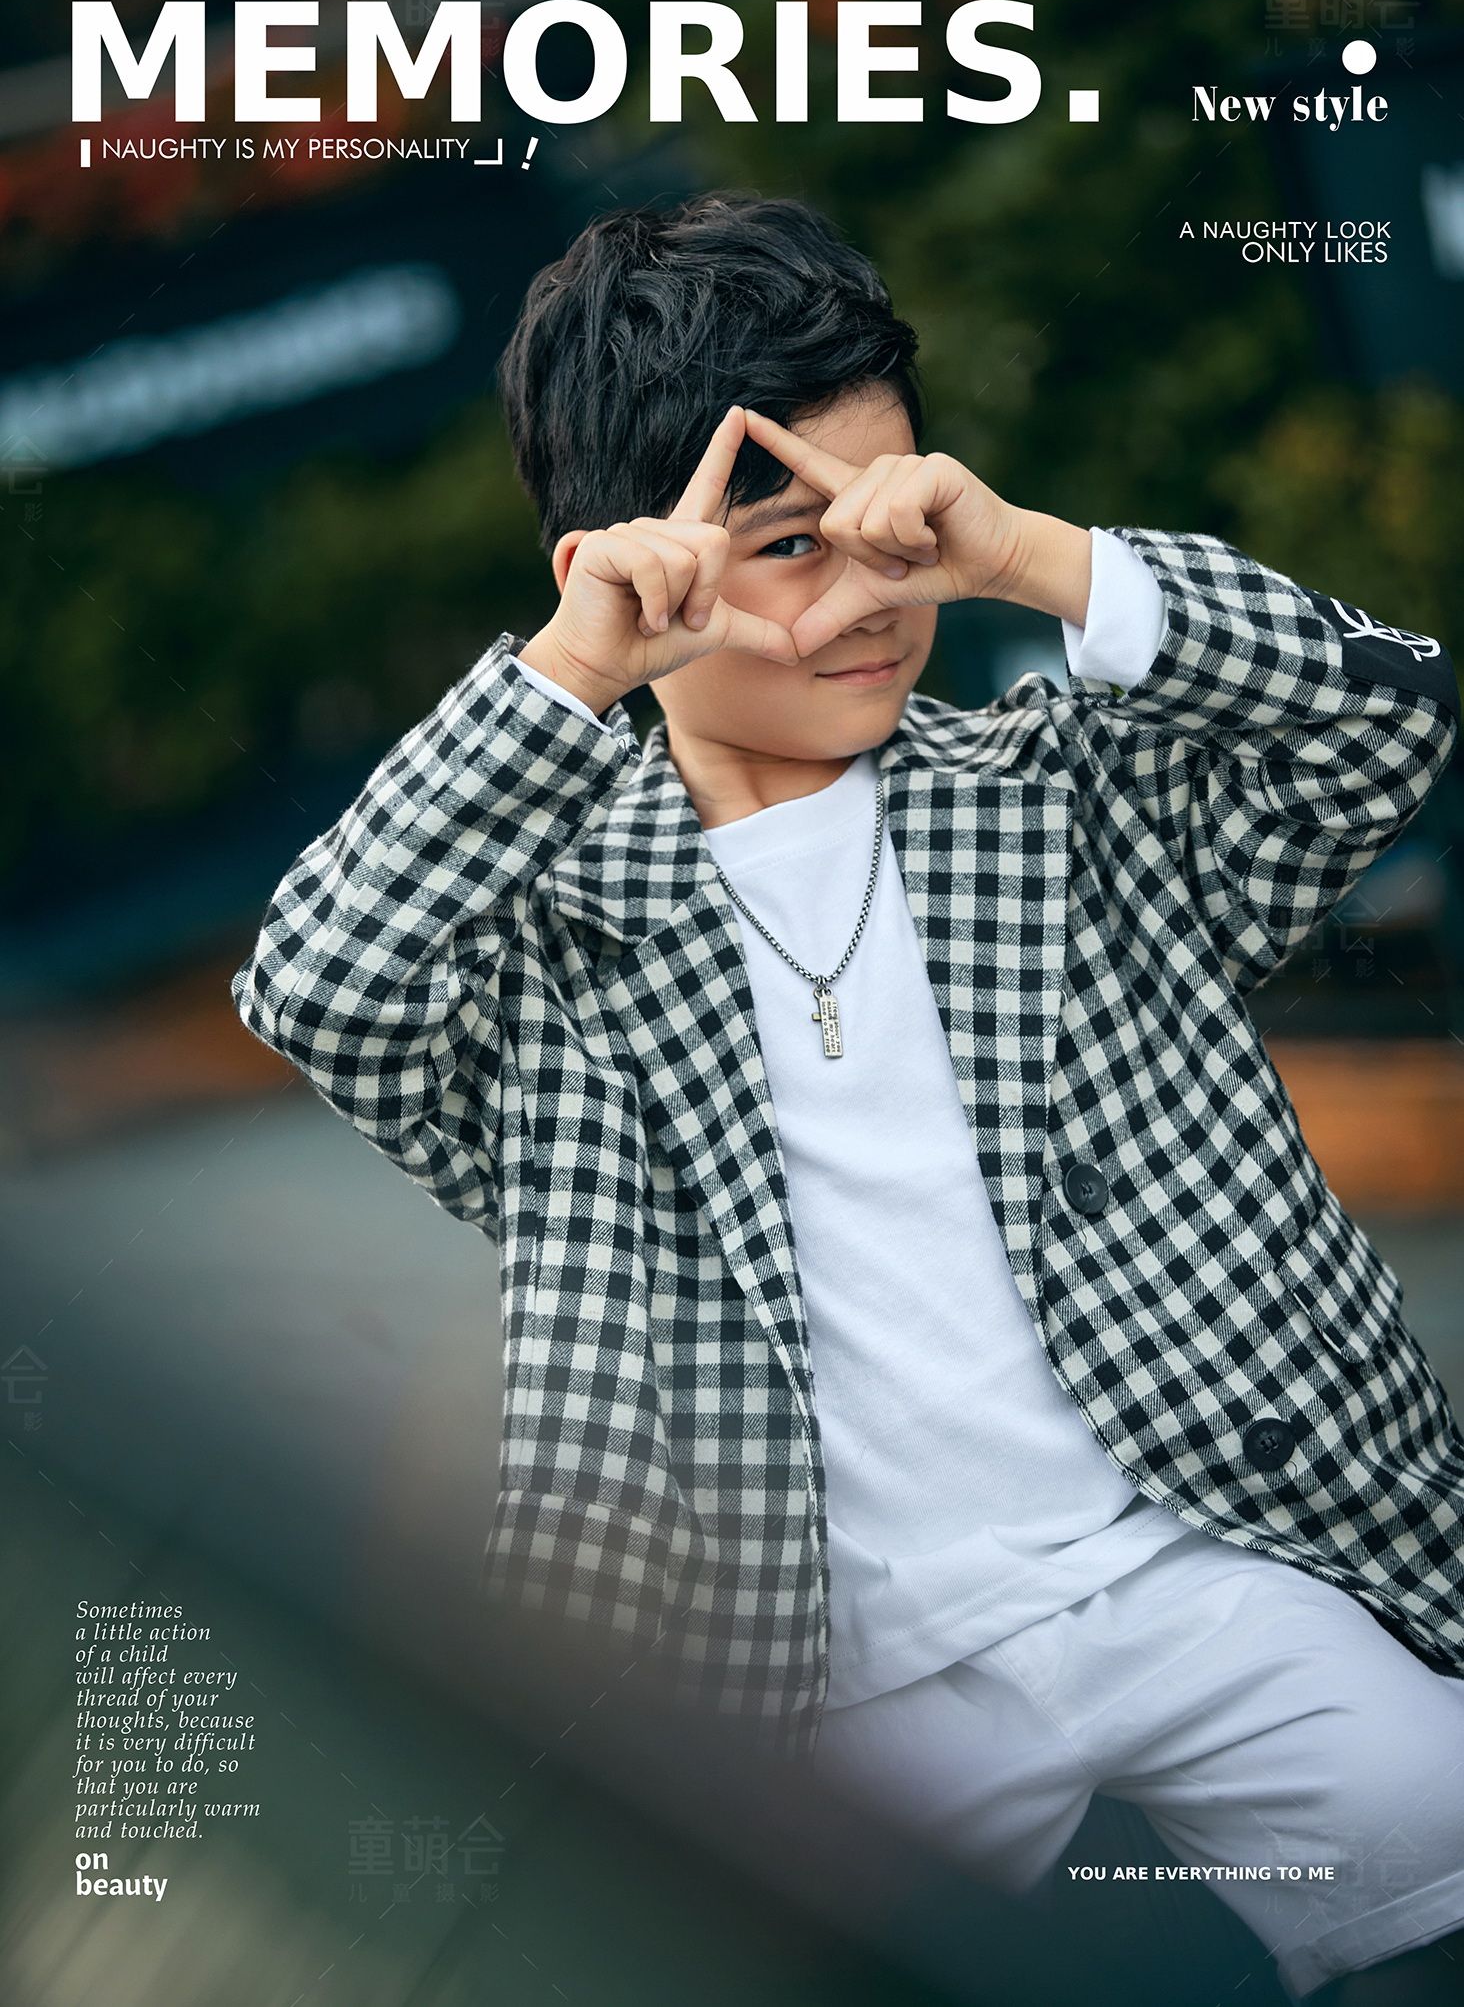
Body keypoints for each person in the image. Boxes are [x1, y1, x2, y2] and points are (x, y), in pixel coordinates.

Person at [233, 192, 1464, 2001]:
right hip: (809, 1699)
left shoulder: (1063, 800)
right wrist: (573, 672)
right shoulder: (539, 951)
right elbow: (317, 985)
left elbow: (1386, 717)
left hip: (1203, 1565)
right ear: (624, 569)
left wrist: (1033, 557)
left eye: (897, 521)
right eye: (792, 543)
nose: (871, 594)